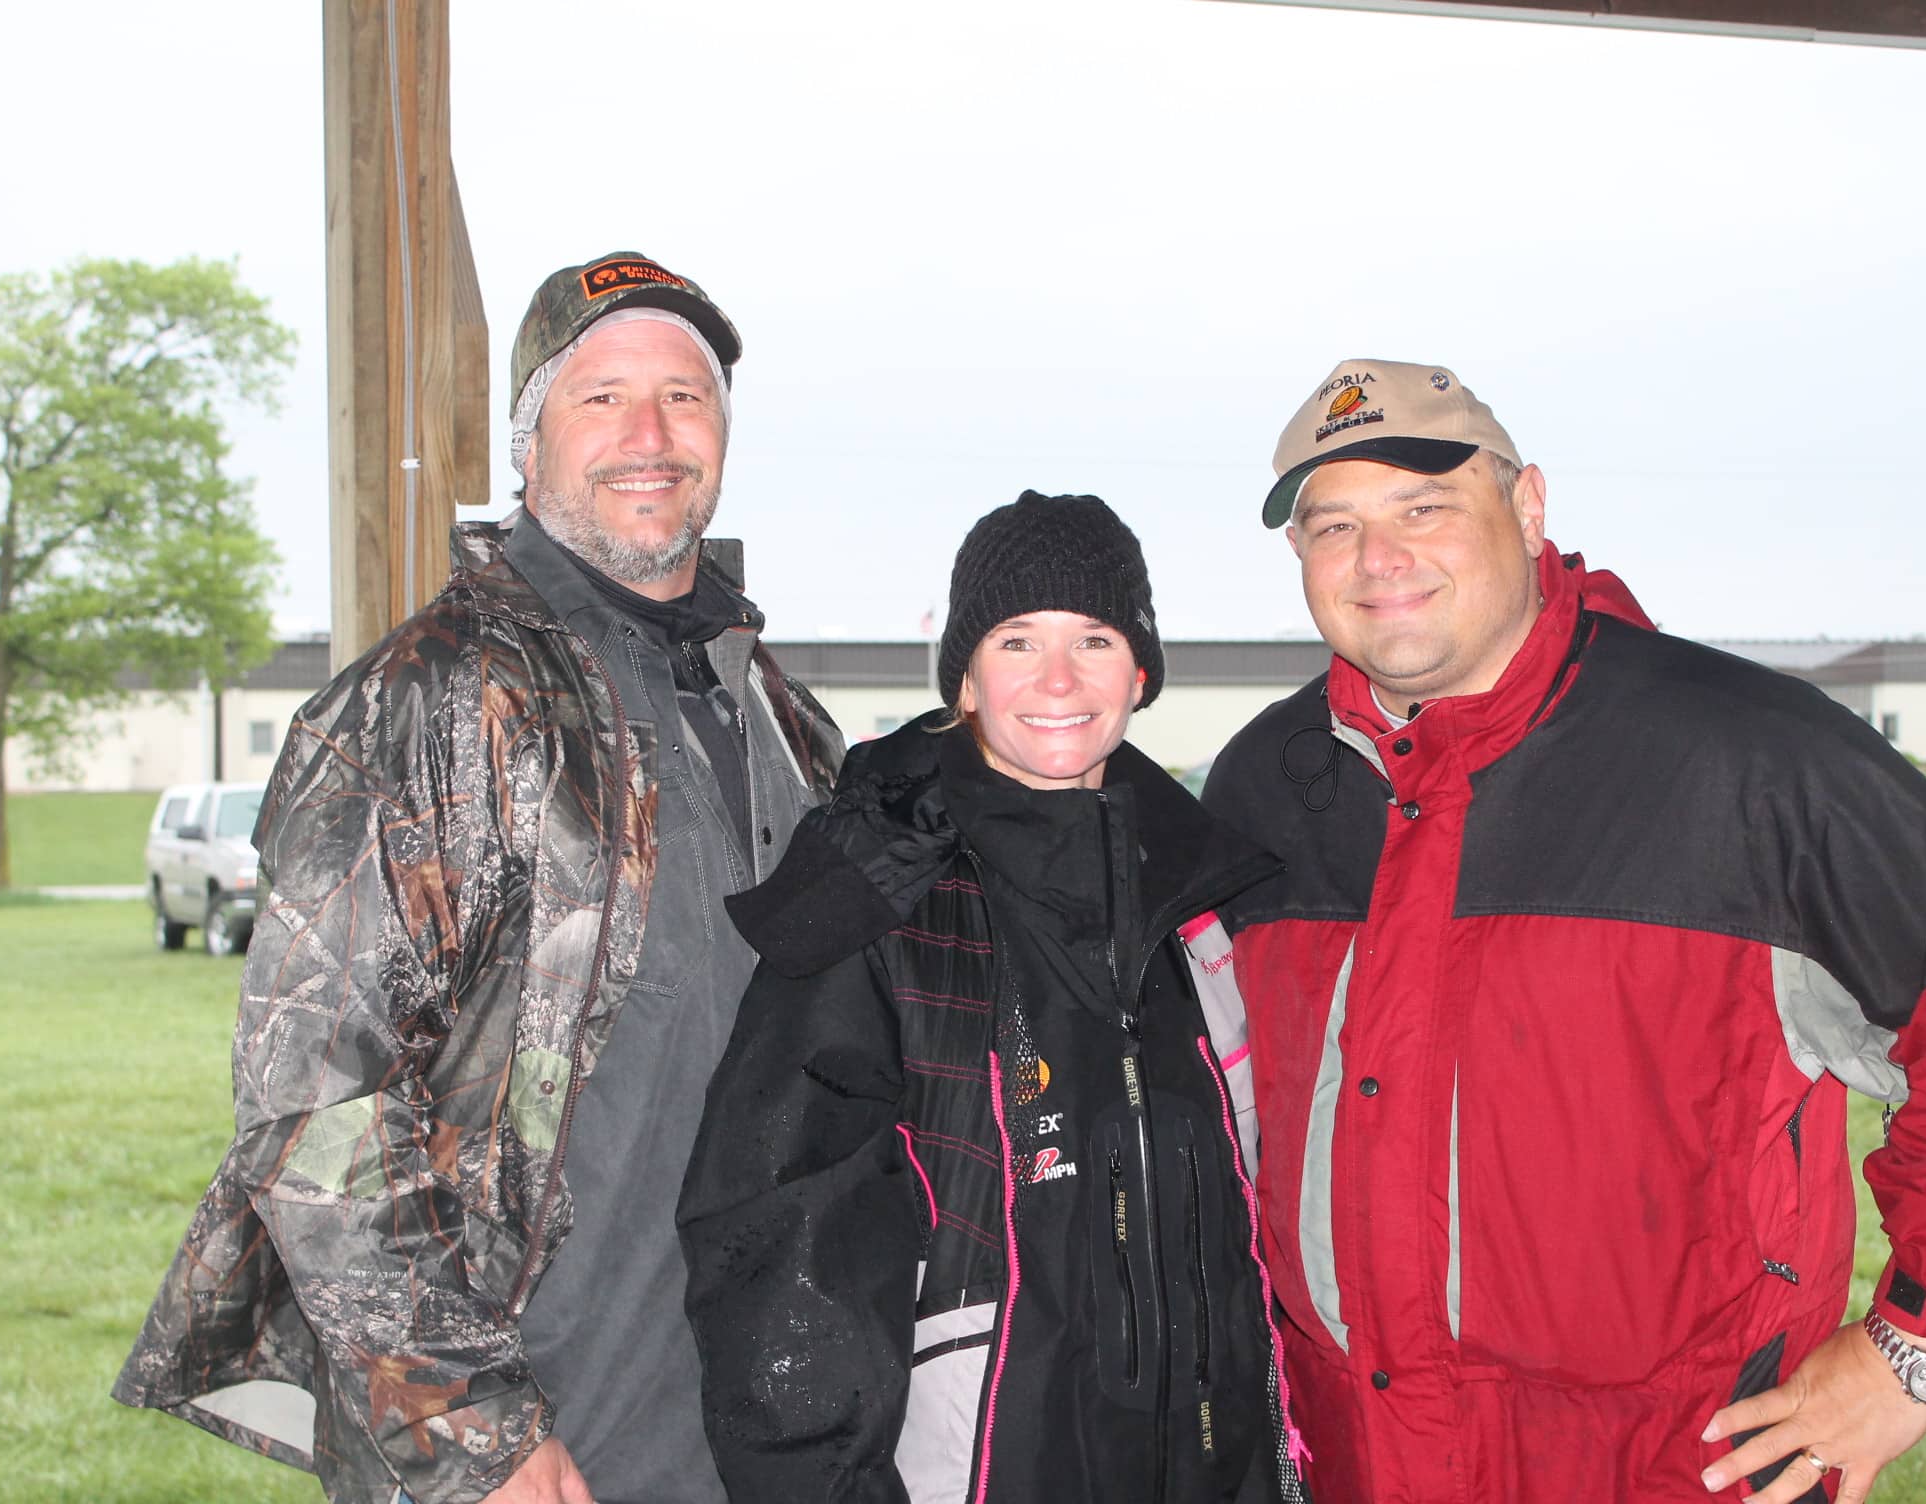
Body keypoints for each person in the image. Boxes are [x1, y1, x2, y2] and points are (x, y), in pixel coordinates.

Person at [1200, 358, 1926, 1503]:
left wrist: (1912, 1347)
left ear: (1527, 506)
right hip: (1352, 1461)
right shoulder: (1263, 789)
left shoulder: (1751, 761)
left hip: (1674, 1468)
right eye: (1334, 525)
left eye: (1422, 508)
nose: (1378, 558)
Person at [114, 250, 843, 1504]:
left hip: (761, 1421)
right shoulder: (422, 705)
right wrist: (470, 1427)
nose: (651, 434)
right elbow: (316, 1108)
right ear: (528, 442)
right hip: (538, 1438)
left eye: (685, 396)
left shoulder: (781, 718)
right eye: (602, 396)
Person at [678, 491, 1310, 1503]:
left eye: (1094, 639)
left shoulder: (1203, 902)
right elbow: (775, 1251)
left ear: (1140, 671)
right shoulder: (880, 905)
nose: (1058, 678)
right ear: (966, 678)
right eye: (1017, 641)